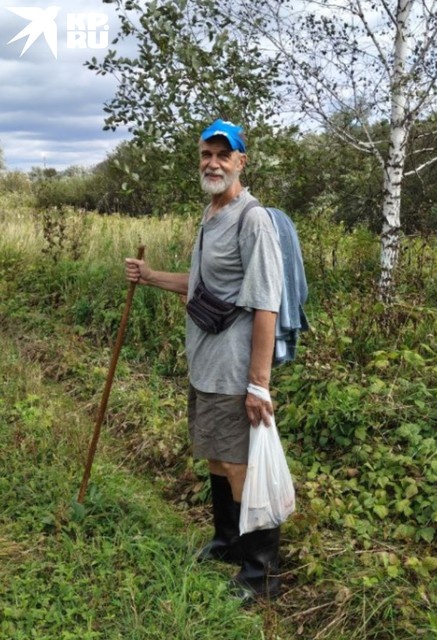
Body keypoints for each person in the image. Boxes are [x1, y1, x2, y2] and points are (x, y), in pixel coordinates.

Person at [124, 118, 284, 602]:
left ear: (241, 161)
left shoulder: (251, 219)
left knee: (239, 465)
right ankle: (227, 541)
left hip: (234, 369)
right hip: (206, 364)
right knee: (218, 456)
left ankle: (262, 576)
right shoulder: (211, 211)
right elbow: (201, 288)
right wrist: (150, 276)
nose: (212, 163)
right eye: (205, 154)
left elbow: (265, 305)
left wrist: (258, 383)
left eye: (223, 154)